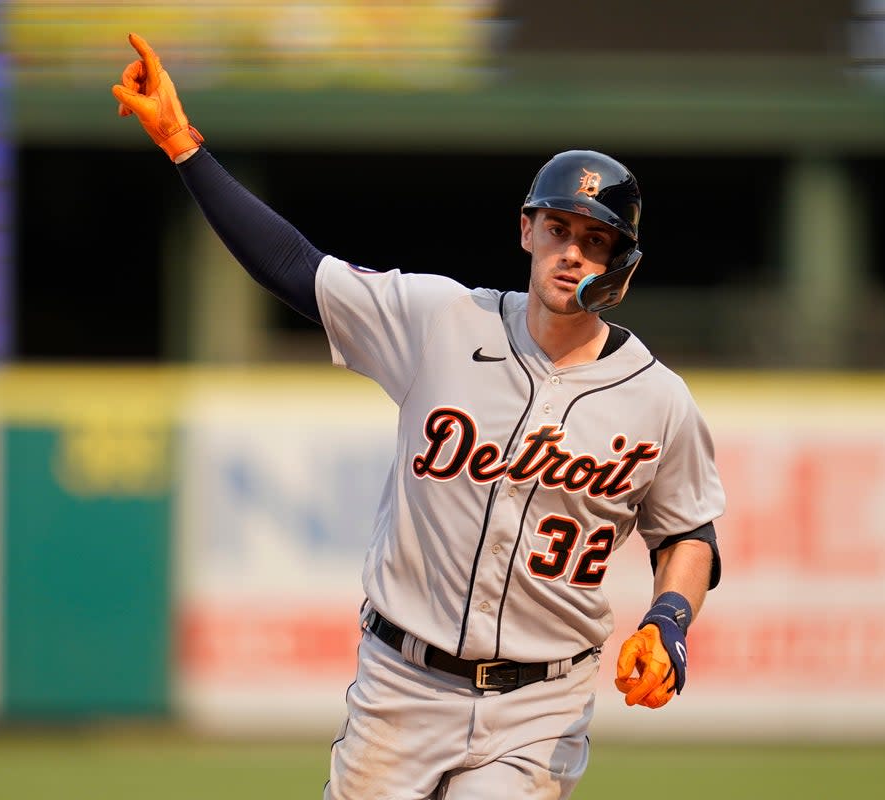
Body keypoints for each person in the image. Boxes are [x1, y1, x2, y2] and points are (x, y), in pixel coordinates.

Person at [113, 32, 725, 800]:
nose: (574, 253)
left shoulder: (656, 397)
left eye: (598, 242)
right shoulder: (440, 320)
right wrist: (182, 145)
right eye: (561, 228)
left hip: (540, 706)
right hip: (402, 685)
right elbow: (296, 269)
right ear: (527, 229)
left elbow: (688, 532)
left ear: (622, 271)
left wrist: (669, 618)